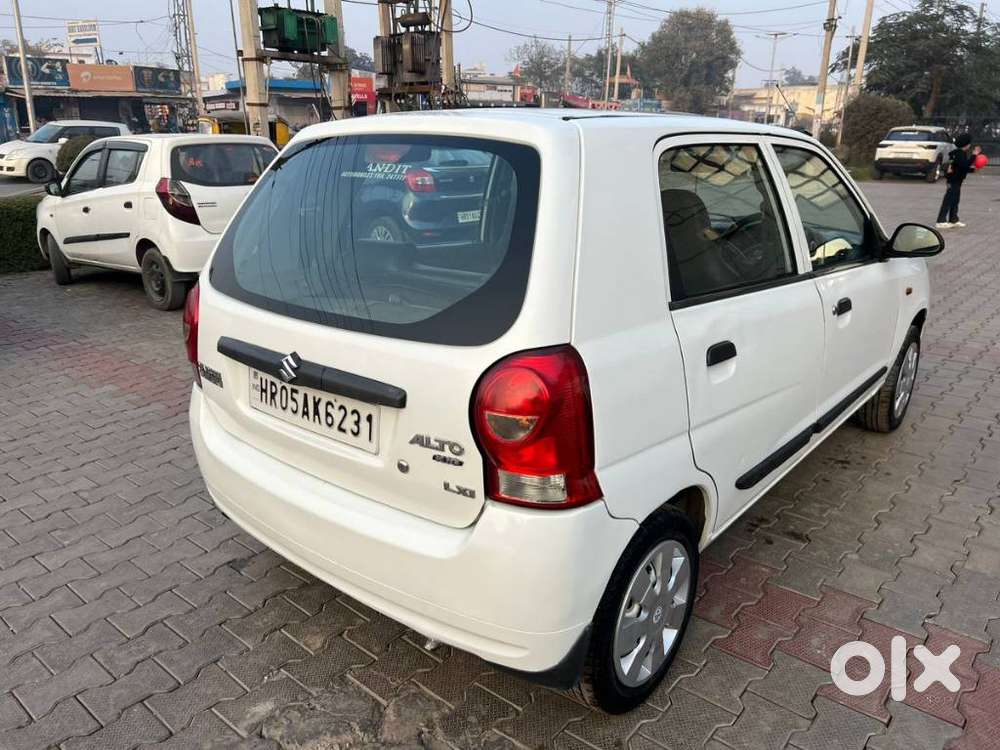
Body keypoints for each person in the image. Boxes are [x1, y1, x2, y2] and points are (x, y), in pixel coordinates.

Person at [936, 134, 978, 229]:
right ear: (966, 144)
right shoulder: (959, 154)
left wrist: (972, 170)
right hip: (953, 180)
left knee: (955, 200)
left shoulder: (957, 153)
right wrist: (974, 156)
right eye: (969, 143)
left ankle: (953, 219)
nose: (970, 145)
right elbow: (964, 165)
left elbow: (960, 167)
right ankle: (940, 220)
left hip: (956, 180)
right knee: (948, 200)